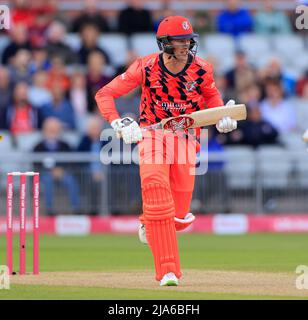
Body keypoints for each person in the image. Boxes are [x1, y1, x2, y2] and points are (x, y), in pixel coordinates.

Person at [95, 16, 238, 286]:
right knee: (155, 187)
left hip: (186, 140)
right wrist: (119, 122)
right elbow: (105, 94)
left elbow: (212, 100)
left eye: (188, 40)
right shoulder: (146, 66)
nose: (185, 45)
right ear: (164, 43)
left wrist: (223, 117)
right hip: (152, 134)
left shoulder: (202, 69)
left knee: (179, 215)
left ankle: (149, 222)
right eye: (179, 40)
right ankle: (168, 271)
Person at [33, 117, 81, 215]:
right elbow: (35, 163)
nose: (53, 132)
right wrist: (50, 171)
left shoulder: (65, 145)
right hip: (45, 174)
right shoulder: (38, 146)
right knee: (47, 181)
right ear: (44, 130)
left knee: (71, 181)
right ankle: (49, 210)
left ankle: (76, 209)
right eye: (50, 129)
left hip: (63, 173)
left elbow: (71, 161)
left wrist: (61, 169)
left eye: (55, 129)